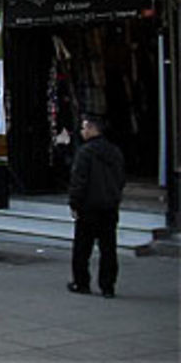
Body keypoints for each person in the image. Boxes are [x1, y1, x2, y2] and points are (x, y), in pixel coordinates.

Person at [67, 115, 125, 298]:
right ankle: (108, 286)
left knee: (82, 248)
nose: (82, 132)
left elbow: (79, 180)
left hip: (88, 206)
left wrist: (74, 202)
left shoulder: (85, 153)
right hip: (109, 206)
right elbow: (120, 178)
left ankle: (81, 282)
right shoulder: (114, 152)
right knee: (108, 248)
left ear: (93, 130)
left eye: (85, 128)